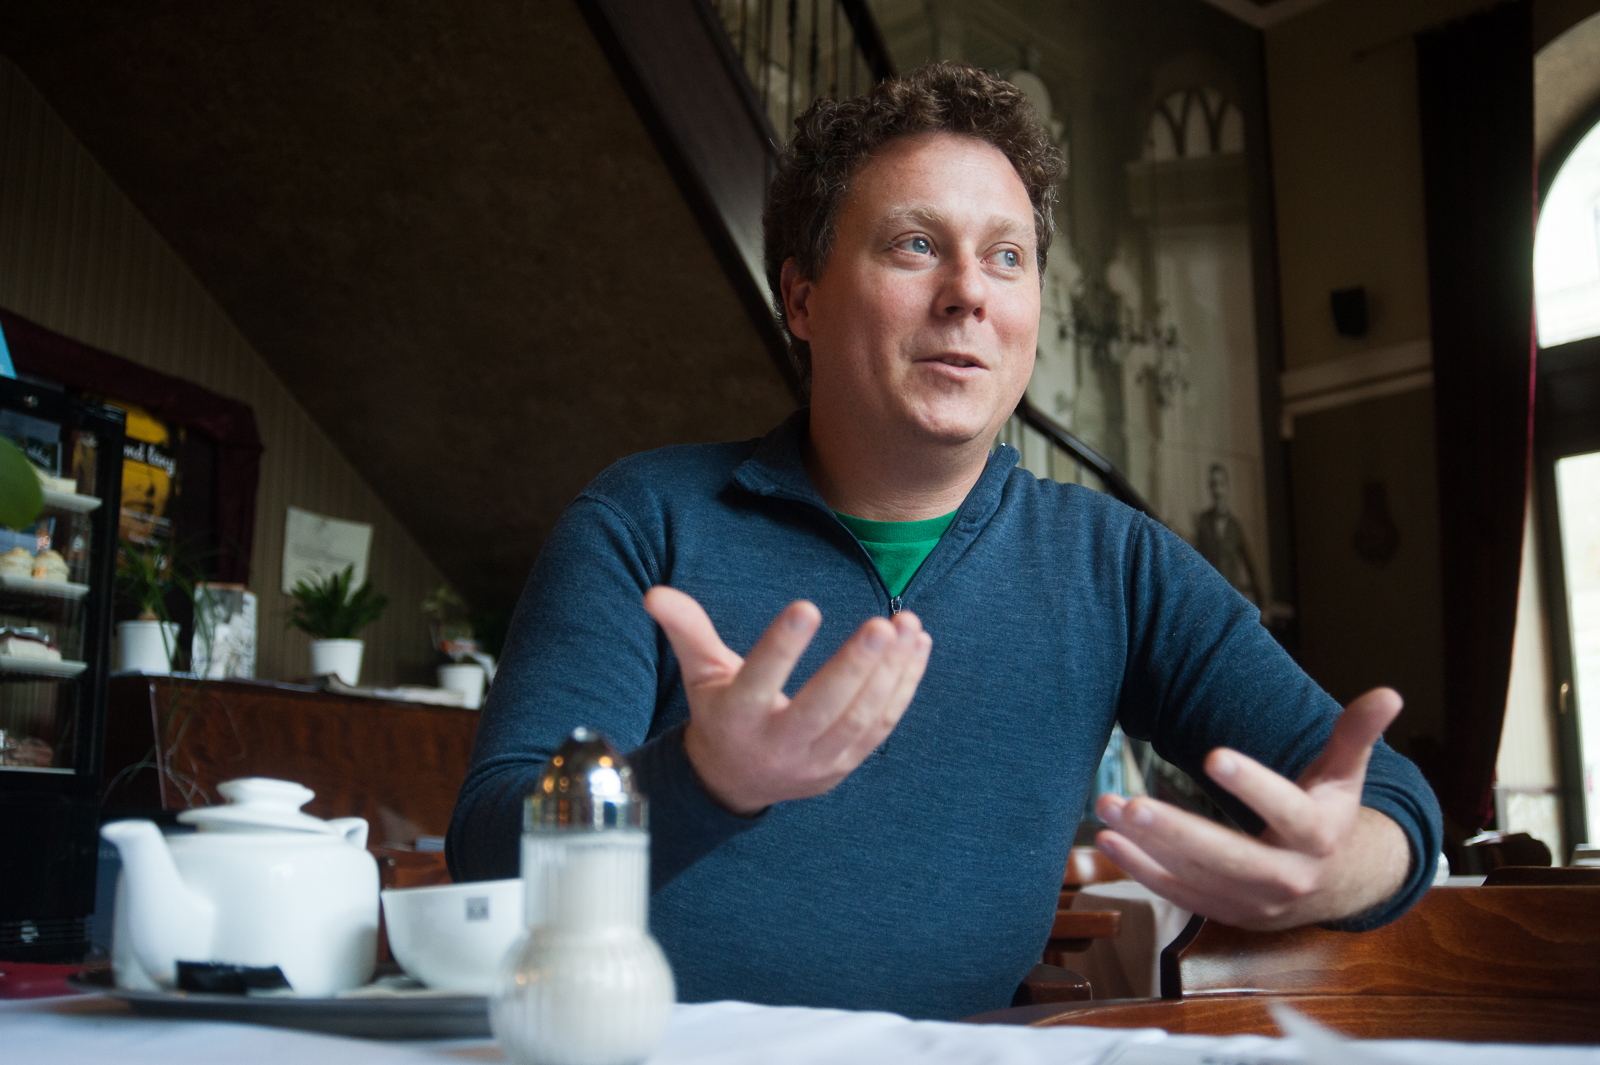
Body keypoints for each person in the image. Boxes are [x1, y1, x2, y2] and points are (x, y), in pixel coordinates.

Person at [447, 62, 1441, 1021]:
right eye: (916, 245)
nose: (971, 292)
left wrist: (1339, 866)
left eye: (1007, 256)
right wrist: (705, 779)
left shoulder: (1116, 566)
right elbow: (488, 848)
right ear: (802, 298)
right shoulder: (642, 520)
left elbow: (1384, 798)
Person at [1193, 462, 1261, 605]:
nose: (1217, 490)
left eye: (1221, 484)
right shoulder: (1203, 522)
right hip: (1209, 599)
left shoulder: (1236, 527)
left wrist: (1263, 604)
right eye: (1213, 485)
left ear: (1227, 487)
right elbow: (1194, 561)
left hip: (1231, 599)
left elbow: (1251, 566)